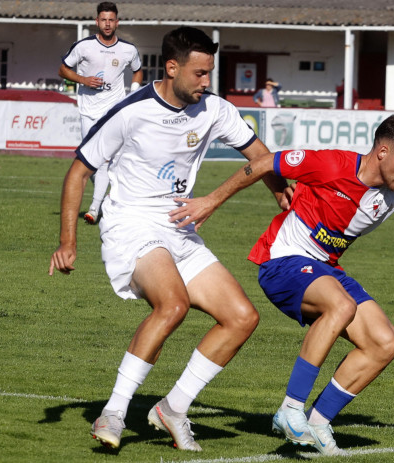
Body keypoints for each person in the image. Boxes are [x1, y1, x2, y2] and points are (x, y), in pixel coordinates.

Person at [174, 112, 394, 456]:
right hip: (282, 262)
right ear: (382, 151)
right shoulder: (331, 164)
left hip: (324, 269)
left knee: (384, 342)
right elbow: (264, 163)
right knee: (341, 305)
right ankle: (291, 410)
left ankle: (318, 422)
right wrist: (211, 200)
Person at [49, 26, 289, 452]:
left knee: (241, 317)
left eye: (209, 72)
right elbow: (78, 171)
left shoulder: (214, 109)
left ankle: (172, 408)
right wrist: (69, 241)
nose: (205, 82)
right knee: (173, 304)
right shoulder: (132, 111)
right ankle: (115, 412)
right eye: (198, 73)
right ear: (172, 67)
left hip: (178, 224)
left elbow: (261, 156)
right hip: (130, 224)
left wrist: (279, 194)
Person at [58, 1, 143, 225]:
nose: (107, 24)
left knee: (104, 160)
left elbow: (137, 71)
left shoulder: (128, 50)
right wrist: (83, 79)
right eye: (103, 19)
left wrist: (131, 94)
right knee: (92, 162)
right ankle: (109, 200)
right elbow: (63, 69)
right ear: (97, 21)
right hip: (88, 110)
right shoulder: (83, 46)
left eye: (111, 20)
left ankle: (94, 209)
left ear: (117, 22)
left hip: (113, 110)